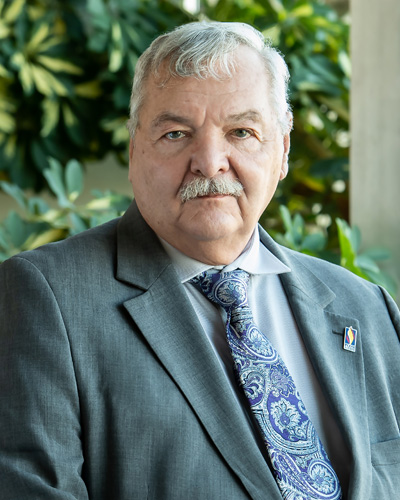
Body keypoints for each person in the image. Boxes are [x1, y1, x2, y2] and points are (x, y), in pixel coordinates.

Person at [0, 21, 399, 500]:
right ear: (133, 151)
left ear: (283, 151)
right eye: (175, 133)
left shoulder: (368, 308)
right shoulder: (47, 298)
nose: (210, 161)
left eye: (241, 131)